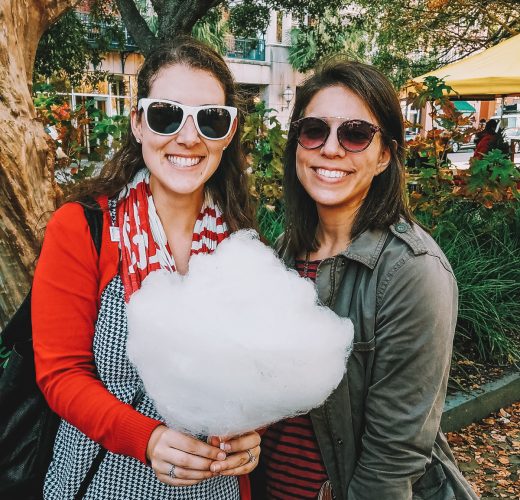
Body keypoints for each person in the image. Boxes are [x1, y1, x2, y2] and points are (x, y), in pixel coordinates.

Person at [32, 36, 260, 500]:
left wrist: (253, 434)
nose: (189, 137)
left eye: (211, 119)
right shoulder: (83, 229)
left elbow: (256, 374)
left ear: (229, 132)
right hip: (102, 484)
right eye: (166, 114)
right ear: (138, 123)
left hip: (213, 490)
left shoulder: (240, 238)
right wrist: (148, 438)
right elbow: (61, 374)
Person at [256, 60, 479, 499]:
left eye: (356, 133)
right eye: (314, 129)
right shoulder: (282, 253)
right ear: (297, 144)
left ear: (384, 156)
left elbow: (394, 457)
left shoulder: (412, 271)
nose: (331, 149)